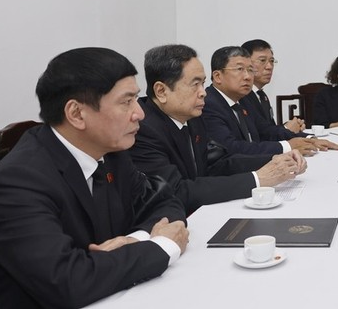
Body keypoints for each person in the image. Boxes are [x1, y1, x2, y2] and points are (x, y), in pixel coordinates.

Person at [0, 48, 189, 308]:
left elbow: (165, 200)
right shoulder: (17, 183)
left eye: (137, 99)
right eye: (126, 101)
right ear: (76, 113)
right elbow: (67, 281)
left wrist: (137, 239)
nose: (140, 113)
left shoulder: (111, 152)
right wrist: (162, 245)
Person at [131, 44, 308, 215]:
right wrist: (258, 179)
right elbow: (176, 191)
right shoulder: (143, 129)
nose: (203, 92)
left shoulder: (191, 117)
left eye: (203, 83)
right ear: (161, 91)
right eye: (195, 84)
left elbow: (218, 162)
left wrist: (277, 159)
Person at [202, 46, 321, 156]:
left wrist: (308, 139)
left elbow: (266, 131)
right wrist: (288, 146)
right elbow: (231, 148)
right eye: (239, 69)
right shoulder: (208, 104)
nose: (248, 77)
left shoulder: (242, 100)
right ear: (218, 76)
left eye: (250, 70)